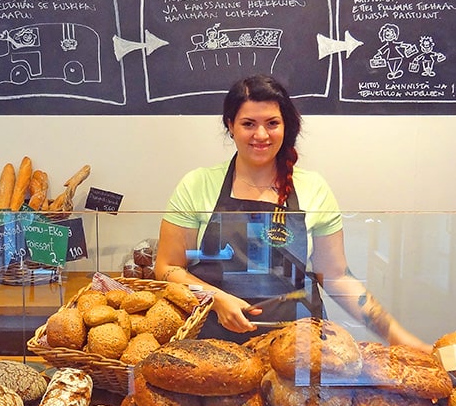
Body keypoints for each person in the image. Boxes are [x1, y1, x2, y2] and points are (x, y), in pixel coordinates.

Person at [154, 74, 429, 352]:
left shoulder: (313, 188)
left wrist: (397, 336)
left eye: (272, 123)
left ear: (285, 126)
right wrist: (215, 299)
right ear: (230, 126)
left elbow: (337, 277)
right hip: (214, 347)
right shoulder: (197, 185)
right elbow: (167, 267)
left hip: (298, 353)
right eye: (248, 124)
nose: (261, 135)